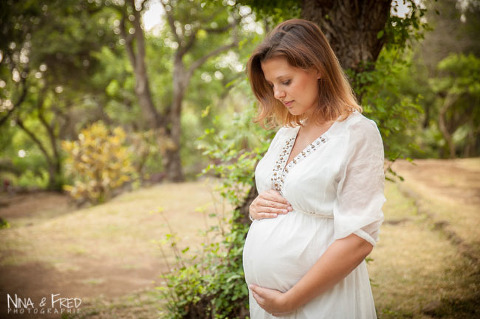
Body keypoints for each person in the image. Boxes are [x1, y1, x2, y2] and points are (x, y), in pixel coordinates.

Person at [242, 19, 386, 318]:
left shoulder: (357, 133)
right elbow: (284, 195)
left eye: (285, 81)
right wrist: (257, 208)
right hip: (268, 306)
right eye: (271, 85)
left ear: (318, 68)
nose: (278, 94)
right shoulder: (288, 132)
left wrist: (291, 300)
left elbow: (359, 238)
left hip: (321, 302)